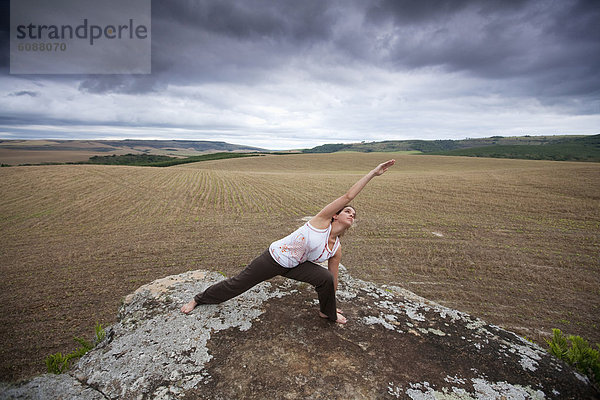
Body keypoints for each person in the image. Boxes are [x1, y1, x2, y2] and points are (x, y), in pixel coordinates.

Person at [181, 159, 396, 324]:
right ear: (335, 215)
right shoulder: (321, 221)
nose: (351, 214)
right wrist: (373, 174)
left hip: (296, 266)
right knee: (238, 284)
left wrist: (332, 304)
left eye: (354, 215)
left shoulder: (336, 248)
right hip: (275, 258)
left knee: (325, 279)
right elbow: (348, 196)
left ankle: (325, 312)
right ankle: (199, 299)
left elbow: (332, 280)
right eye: (347, 211)